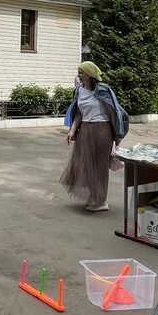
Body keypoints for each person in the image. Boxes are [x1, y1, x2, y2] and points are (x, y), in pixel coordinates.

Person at [61, 61, 128, 212]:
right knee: (86, 165)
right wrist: (72, 131)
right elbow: (79, 114)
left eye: (82, 72)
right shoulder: (79, 91)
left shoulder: (104, 90)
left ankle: (101, 201)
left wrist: (118, 138)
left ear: (90, 75)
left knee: (99, 167)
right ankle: (93, 197)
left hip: (102, 131)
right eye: (79, 72)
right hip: (85, 130)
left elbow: (113, 114)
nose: (79, 75)